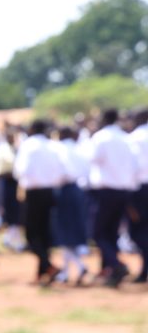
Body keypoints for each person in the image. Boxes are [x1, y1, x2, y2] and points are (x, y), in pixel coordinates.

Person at [87, 108, 138, 286]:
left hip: (105, 191)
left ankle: (116, 265)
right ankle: (109, 270)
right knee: (111, 233)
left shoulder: (101, 137)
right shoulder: (125, 138)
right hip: (123, 191)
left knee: (98, 232)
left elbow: (92, 159)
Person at [14, 119, 67, 285]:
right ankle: (42, 272)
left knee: (31, 234)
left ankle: (49, 266)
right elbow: (61, 171)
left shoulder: (28, 145)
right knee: (43, 233)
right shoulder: (52, 146)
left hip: (34, 193)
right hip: (50, 192)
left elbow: (20, 170)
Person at [55, 126, 91, 285]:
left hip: (64, 191)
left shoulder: (59, 149)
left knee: (65, 233)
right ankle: (66, 270)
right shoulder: (78, 148)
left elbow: (59, 172)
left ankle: (78, 267)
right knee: (72, 233)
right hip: (78, 190)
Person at [128, 108, 148, 283]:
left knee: (138, 230)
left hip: (140, 189)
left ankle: (145, 270)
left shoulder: (135, 138)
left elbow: (130, 166)